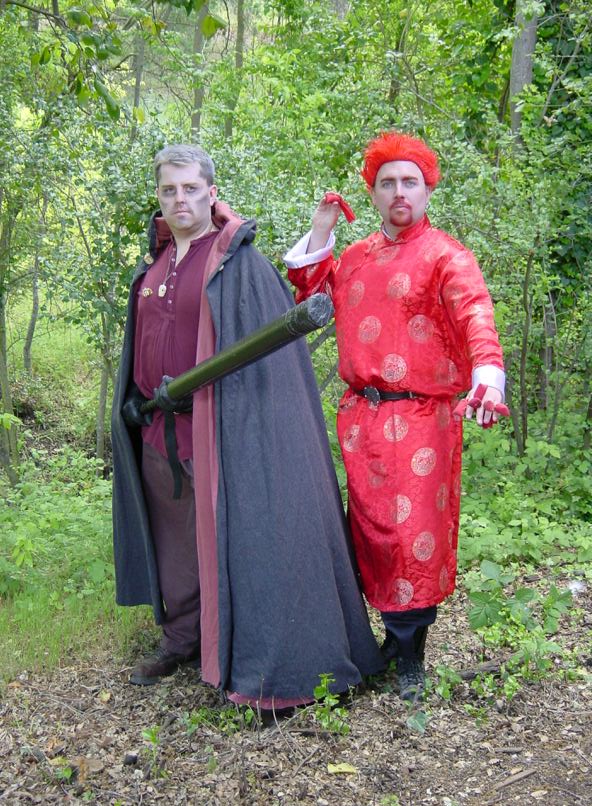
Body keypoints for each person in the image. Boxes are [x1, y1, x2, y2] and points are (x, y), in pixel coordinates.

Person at [111, 144, 384, 708]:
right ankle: (182, 638)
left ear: (211, 193)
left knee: (236, 537)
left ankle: (250, 654)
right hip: (159, 432)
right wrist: (135, 401)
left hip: (220, 432)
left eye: (191, 189)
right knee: (174, 539)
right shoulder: (155, 266)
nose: (180, 199)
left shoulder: (237, 264)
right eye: (169, 190)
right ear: (158, 197)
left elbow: (265, 365)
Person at [284, 131, 507, 701]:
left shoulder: (447, 256)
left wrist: (487, 374)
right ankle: (388, 642)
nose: (399, 192)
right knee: (372, 534)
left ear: (427, 189)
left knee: (414, 537)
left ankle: (411, 657)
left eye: (410, 182)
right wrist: (321, 232)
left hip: (423, 418)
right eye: (388, 183)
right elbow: (311, 297)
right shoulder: (357, 257)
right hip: (362, 419)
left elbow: (475, 313)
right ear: (374, 193)